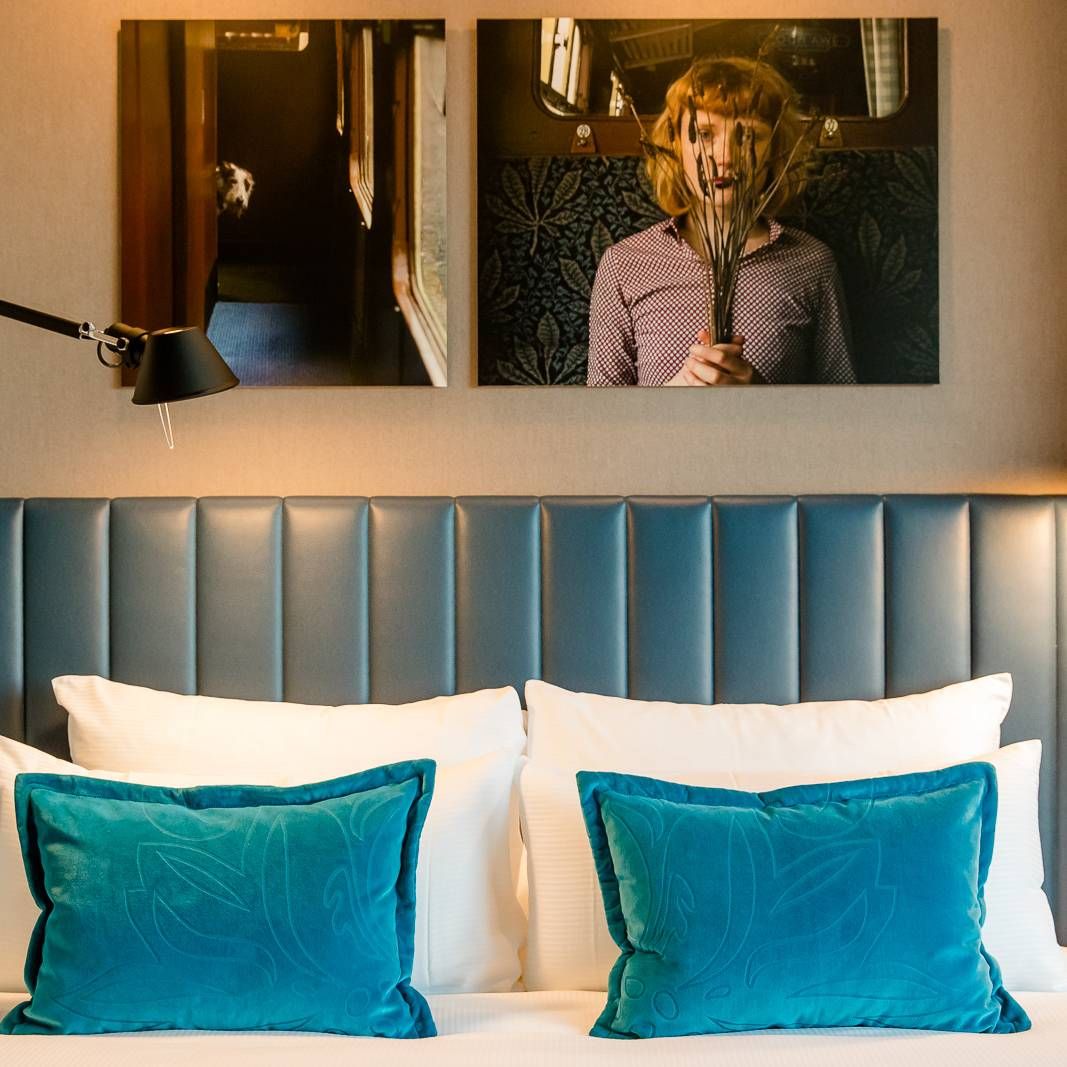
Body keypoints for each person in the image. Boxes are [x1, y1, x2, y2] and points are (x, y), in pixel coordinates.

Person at [587, 56, 856, 386]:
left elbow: (844, 404)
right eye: (703, 134)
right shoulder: (624, 265)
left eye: (749, 136)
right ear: (675, 147)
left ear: (776, 151)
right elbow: (601, 411)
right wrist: (669, 399)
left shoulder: (812, 264)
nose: (725, 157)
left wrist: (760, 399)